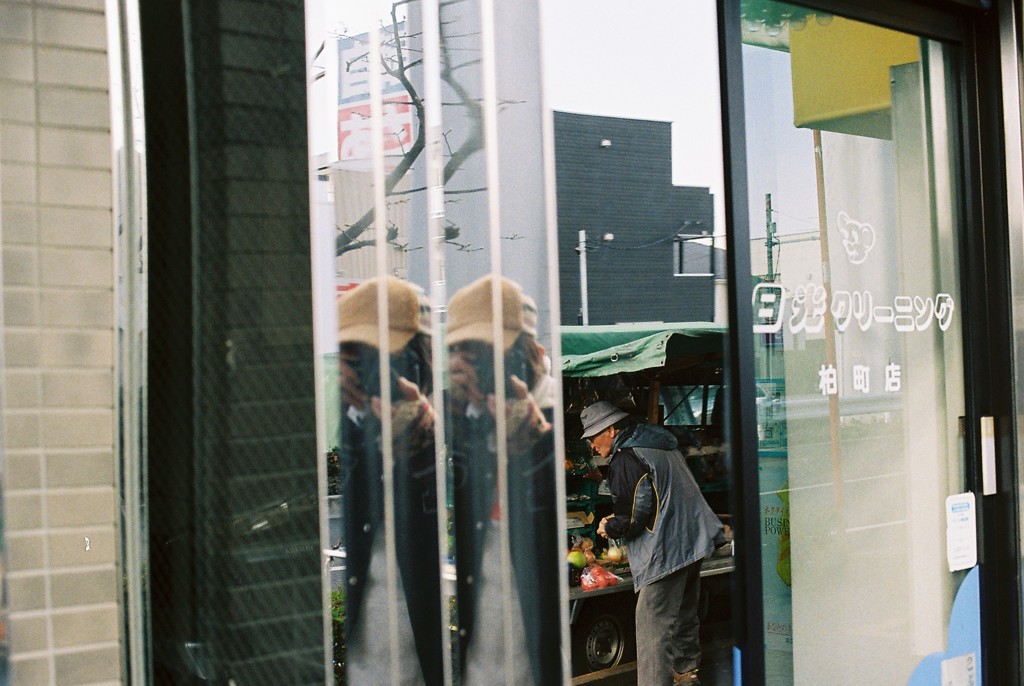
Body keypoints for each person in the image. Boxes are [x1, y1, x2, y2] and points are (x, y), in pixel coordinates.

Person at [447, 274, 561, 685]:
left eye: (479, 352)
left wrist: (532, 447)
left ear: (529, 353)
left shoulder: (549, 418)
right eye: (456, 352)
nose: (464, 367)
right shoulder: (471, 420)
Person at [337, 276, 441, 686]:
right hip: (368, 647)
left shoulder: (424, 429)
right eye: (360, 359)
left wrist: (417, 441)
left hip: (413, 642)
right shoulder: (347, 425)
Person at [581, 400, 726, 686]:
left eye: (593, 437)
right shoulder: (659, 445)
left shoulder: (626, 457)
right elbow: (655, 496)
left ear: (610, 430)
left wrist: (609, 525)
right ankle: (686, 676)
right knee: (684, 614)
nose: (592, 447)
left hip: (667, 548)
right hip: (693, 539)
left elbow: (635, 514)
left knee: (651, 625)